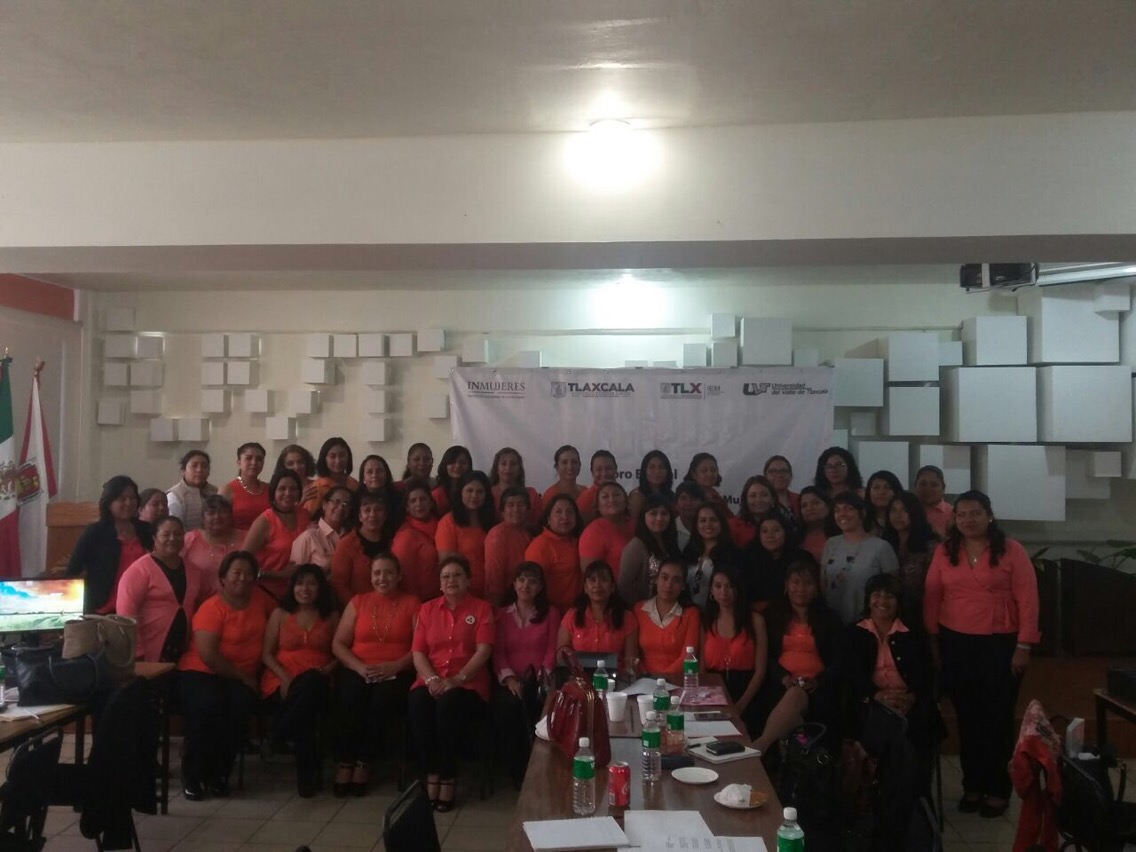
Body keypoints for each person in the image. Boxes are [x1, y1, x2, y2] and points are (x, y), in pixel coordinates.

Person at [924, 490, 1040, 819]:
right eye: (961, 514)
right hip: (956, 643)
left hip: (1000, 644)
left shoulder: (1012, 550)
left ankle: (998, 788)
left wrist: (1024, 646)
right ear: (954, 519)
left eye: (975, 513)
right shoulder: (945, 550)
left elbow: (1028, 600)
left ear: (989, 515)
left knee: (998, 719)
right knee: (968, 719)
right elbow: (932, 595)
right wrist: (933, 641)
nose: (968, 520)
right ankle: (972, 785)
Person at [843, 573, 940, 847]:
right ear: (868, 600)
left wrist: (911, 696)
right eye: (877, 594)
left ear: (899, 602)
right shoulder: (854, 633)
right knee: (895, 737)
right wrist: (876, 695)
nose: (882, 600)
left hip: (910, 708)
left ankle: (899, 815)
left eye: (889, 595)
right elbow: (850, 676)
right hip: (871, 709)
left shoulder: (913, 634)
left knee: (906, 735)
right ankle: (899, 814)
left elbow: (927, 677)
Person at [177, 551, 267, 801]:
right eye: (236, 573)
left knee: (240, 706)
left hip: (239, 677)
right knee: (208, 706)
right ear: (223, 578)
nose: (243, 578)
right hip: (201, 671)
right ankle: (193, 775)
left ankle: (219, 775)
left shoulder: (260, 600)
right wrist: (243, 677)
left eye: (248, 573)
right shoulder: (211, 608)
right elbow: (209, 656)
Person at [408, 555, 494, 812]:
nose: (451, 580)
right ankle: (431, 772)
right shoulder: (427, 609)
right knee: (418, 702)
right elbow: (418, 652)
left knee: (447, 705)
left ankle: (447, 776)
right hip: (431, 680)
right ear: (439, 583)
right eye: (445, 576)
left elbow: (484, 650)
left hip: (468, 683)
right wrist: (432, 679)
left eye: (457, 575)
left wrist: (458, 678)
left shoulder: (482, 609)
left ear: (468, 580)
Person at [331, 553, 420, 797]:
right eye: (377, 573)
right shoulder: (358, 602)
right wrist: (359, 667)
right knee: (349, 698)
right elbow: (338, 644)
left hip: (397, 671)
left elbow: (420, 647)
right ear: (370, 577)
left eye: (389, 572)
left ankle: (364, 761)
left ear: (399, 576)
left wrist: (396, 666)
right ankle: (345, 760)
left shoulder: (412, 603)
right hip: (359, 668)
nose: (383, 578)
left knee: (382, 701)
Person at [261, 565, 339, 797]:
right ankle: (308, 778)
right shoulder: (280, 614)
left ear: (320, 588)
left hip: (321, 678)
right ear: (292, 587)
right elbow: (267, 654)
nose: (305, 589)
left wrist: (328, 669)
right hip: (281, 679)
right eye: (299, 583)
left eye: (311, 583)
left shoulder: (332, 616)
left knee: (312, 682)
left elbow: (341, 652)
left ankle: (279, 732)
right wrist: (285, 677)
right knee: (306, 714)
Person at [752, 559, 843, 755]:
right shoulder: (773, 614)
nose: (801, 589)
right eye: (795, 582)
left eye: (808, 583)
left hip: (818, 690)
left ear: (816, 587)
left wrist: (818, 681)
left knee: (796, 699)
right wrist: (784, 677)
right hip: (781, 686)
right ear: (786, 585)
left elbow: (839, 661)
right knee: (794, 718)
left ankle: (758, 748)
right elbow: (766, 656)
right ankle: (788, 767)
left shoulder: (830, 618)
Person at [492, 562, 559, 786]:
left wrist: (541, 676)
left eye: (532, 581)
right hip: (509, 681)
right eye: (521, 580)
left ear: (540, 587)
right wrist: (510, 679)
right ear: (514, 584)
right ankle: (517, 771)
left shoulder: (550, 613)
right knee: (509, 708)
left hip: (540, 680)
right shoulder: (501, 615)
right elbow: (498, 652)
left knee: (541, 708)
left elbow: (552, 649)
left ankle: (541, 769)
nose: (526, 585)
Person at [117, 516, 206, 663]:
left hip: (184, 653)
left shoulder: (194, 570)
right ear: (154, 538)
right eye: (166, 534)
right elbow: (126, 614)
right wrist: (137, 651)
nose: (173, 539)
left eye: (178, 534)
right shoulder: (139, 570)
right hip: (147, 654)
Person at [67, 475, 154, 614]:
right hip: (105, 610)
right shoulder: (94, 532)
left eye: (132, 498)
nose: (128, 503)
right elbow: (72, 571)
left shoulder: (146, 530)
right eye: (122, 499)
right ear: (109, 503)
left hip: (144, 607)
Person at [701, 565, 767, 735]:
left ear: (738, 589)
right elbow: (700, 668)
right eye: (718, 586)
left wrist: (740, 705)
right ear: (711, 590)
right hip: (712, 692)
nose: (723, 592)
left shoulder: (755, 621)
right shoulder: (705, 622)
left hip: (748, 692)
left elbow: (760, 670)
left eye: (730, 586)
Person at [821, 491, 899, 626]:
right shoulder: (831, 544)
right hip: (831, 622)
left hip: (868, 624)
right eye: (837, 510)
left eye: (849, 509)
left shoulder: (881, 547)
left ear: (862, 513)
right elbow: (823, 584)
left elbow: (893, 590)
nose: (842, 514)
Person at [557, 561, 638, 674]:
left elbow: (631, 662)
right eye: (592, 580)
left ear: (612, 587)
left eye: (603, 579)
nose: (597, 585)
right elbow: (561, 656)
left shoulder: (627, 618)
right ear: (585, 588)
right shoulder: (572, 616)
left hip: (616, 681)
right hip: (578, 679)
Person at [242, 470, 311, 599]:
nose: (288, 493)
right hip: (268, 592)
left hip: (302, 592)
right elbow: (242, 562)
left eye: (293, 489)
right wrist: (280, 574)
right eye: (282, 489)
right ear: (273, 492)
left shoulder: (305, 515)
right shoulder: (264, 521)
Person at [633, 560, 700, 679]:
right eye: (664, 578)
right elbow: (634, 654)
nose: (668, 585)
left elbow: (688, 656)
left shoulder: (691, 614)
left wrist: (661, 679)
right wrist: (646, 677)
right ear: (656, 579)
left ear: (683, 586)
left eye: (676, 580)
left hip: (678, 681)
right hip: (644, 680)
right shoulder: (639, 610)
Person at [331, 490, 396, 607]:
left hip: (391, 606)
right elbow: (338, 584)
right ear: (360, 516)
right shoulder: (346, 544)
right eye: (367, 510)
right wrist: (360, 608)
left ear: (385, 515)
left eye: (378, 509)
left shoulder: (394, 541)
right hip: (357, 610)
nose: (372, 514)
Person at [435, 470, 494, 597]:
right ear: (460, 492)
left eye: (480, 491)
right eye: (469, 491)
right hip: (463, 593)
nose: (474, 495)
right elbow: (447, 563)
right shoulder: (448, 522)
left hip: (493, 590)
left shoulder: (493, 520)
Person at [881, 491, 940, 617]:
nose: (898, 515)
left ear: (915, 513)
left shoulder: (931, 546)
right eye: (893, 510)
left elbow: (934, 587)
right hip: (887, 610)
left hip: (921, 610)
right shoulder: (884, 543)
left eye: (905, 510)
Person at [618, 493, 682, 605]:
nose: (659, 518)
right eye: (653, 513)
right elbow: (623, 587)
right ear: (644, 516)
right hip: (644, 610)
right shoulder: (636, 546)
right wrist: (643, 608)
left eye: (664, 513)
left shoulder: (672, 542)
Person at [739, 513, 811, 613]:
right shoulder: (747, 559)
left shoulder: (802, 558)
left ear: (785, 532)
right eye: (765, 531)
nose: (770, 536)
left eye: (776, 530)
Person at [524, 493, 583, 612]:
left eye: (570, 512)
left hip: (578, 610)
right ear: (548, 519)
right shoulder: (540, 546)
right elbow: (531, 587)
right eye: (558, 512)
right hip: (552, 613)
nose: (565, 517)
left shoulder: (579, 540)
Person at [180, 495, 242, 598]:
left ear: (231, 515)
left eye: (223, 512)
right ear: (203, 518)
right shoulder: (190, 539)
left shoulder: (247, 538)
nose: (217, 517)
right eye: (211, 513)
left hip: (240, 600)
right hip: (199, 602)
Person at [483, 486, 533, 606]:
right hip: (505, 601)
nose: (516, 509)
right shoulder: (498, 535)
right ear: (502, 511)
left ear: (528, 509)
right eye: (510, 505)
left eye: (520, 504)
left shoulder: (527, 533)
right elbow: (494, 577)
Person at [391, 480, 440, 601]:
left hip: (441, 596)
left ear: (431, 502)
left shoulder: (441, 526)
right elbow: (405, 578)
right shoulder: (405, 536)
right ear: (407, 508)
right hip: (420, 602)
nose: (419, 504)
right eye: (413, 501)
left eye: (423, 499)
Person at [682, 503, 735, 609]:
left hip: (718, 613)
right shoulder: (688, 552)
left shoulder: (734, 555)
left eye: (713, 520)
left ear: (721, 523)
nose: (708, 524)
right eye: (703, 520)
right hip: (688, 612)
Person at [291, 485, 353, 573]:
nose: (340, 508)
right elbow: (295, 574)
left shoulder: (351, 537)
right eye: (336, 502)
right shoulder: (309, 537)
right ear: (324, 505)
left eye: (345, 504)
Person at [579, 481, 634, 580]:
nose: (612, 500)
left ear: (626, 500)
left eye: (616, 495)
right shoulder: (592, 533)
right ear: (598, 505)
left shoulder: (636, 524)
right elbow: (591, 576)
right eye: (605, 496)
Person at [218, 442, 270, 532]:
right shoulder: (227, 490)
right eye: (248, 458)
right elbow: (219, 523)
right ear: (239, 462)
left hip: (268, 539)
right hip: (238, 539)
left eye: (259, 459)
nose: (254, 463)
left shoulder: (269, 489)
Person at [304, 437, 359, 514]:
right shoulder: (317, 488)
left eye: (342, 455)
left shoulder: (354, 484)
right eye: (332, 456)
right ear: (324, 459)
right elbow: (306, 516)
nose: (338, 460)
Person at [488, 447, 543, 523]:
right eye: (503, 464)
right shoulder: (487, 494)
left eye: (513, 464)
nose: (508, 468)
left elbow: (539, 523)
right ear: (496, 469)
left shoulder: (532, 494)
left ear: (519, 469)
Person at [167, 450, 217, 531]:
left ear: (209, 472)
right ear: (183, 471)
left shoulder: (217, 493)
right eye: (194, 466)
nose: (199, 470)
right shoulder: (175, 495)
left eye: (204, 466)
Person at [729, 475, 778, 549]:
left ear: (773, 499)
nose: (758, 500)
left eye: (764, 495)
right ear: (745, 500)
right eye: (753, 496)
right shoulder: (732, 526)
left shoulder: (783, 526)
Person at [627, 450, 674, 521]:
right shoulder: (637, 496)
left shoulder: (672, 496)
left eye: (661, 467)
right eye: (652, 467)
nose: (657, 471)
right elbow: (634, 524)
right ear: (644, 471)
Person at [683, 452, 732, 516]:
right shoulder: (689, 498)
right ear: (694, 474)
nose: (710, 474)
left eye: (713, 470)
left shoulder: (716, 496)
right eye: (704, 471)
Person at [576, 450, 618, 522]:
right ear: (592, 472)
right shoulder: (585, 499)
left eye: (608, 468)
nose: (604, 473)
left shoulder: (620, 493)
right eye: (598, 469)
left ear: (615, 469)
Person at [797, 486, 837, 562]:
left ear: (828, 506)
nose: (809, 508)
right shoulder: (796, 537)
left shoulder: (841, 533)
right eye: (804, 505)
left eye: (815, 503)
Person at [431, 445, 472, 517]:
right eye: (452, 462)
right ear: (445, 465)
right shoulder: (437, 494)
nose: (457, 465)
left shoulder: (474, 490)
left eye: (463, 463)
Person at [914, 465, 954, 538]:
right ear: (915, 486)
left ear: (943, 488)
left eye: (934, 485)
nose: (928, 489)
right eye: (923, 484)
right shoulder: (907, 510)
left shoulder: (953, 514)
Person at [865, 469, 904, 537]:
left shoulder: (905, 520)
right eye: (876, 487)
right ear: (868, 492)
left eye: (888, 487)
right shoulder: (860, 520)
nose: (881, 492)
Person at [763, 455, 800, 521]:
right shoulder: (758, 501)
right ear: (765, 476)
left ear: (791, 475)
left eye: (784, 471)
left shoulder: (799, 499)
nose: (779, 475)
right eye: (773, 471)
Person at [673, 481, 704, 551]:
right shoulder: (669, 529)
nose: (689, 503)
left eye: (694, 498)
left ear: (702, 503)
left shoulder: (711, 527)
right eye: (683, 498)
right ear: (676, 505)